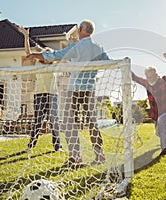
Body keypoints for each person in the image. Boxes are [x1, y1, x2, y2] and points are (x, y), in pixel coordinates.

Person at [26, 20, 109, 165]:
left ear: (82, 29)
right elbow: (108, 63)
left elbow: (55, 55)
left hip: (75, 90)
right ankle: (100, 155)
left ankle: (75, 157)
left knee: (70, 123)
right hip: (90, 90)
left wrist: (34, 55)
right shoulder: (98, 47)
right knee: (92, 123)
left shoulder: (76, 47)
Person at [18, 26, 62, 152]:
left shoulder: (55, 66)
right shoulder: (38, 64)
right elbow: (28, 53)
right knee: (38, 121)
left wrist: (72, 42)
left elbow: (65, 57)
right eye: (45, 53)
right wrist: (26, 36)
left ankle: (57, 147)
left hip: (53, 95)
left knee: (54, 121)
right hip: (39, 95)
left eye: (49, 54)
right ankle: (31, 146)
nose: (47, 56)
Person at [131, 53, 166, 156]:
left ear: (156, 74)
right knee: (158, 132)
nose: (151, 78)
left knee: (162, 121)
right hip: (155, 114)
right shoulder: (147, 83)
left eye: (152, 76)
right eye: (148, 76)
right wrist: (125, 66)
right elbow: (134, 77)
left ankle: (164, 149)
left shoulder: (164, 81)